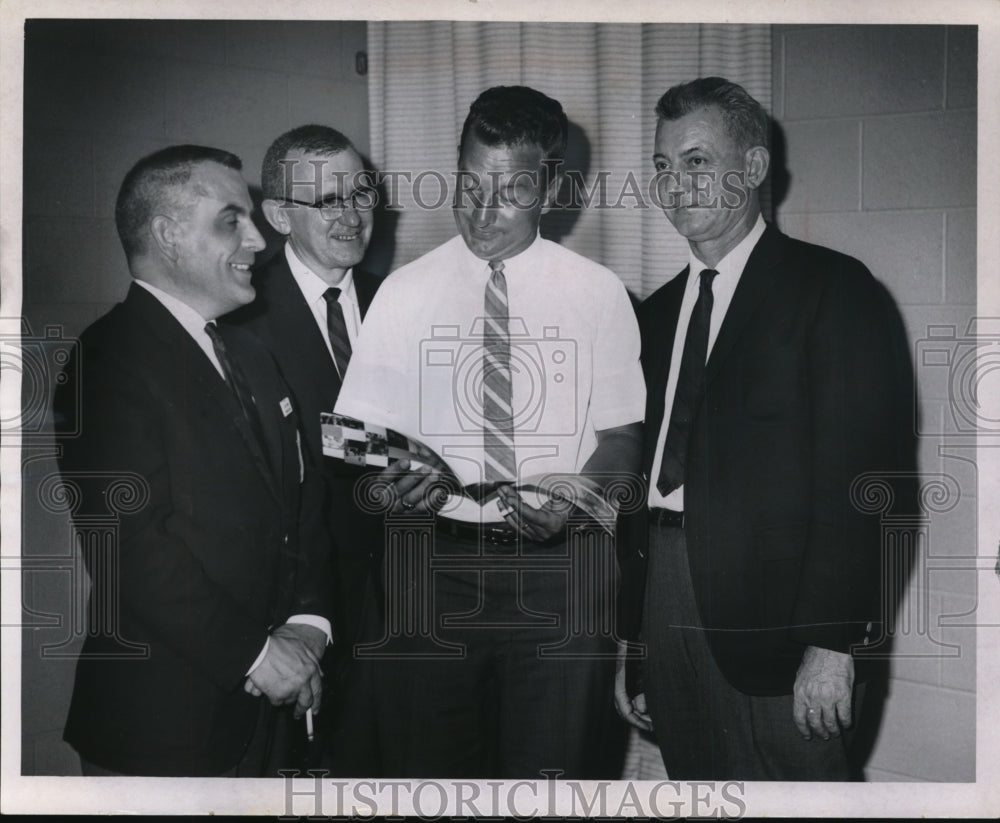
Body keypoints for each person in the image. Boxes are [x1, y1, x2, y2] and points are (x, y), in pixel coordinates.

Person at [334, 85, 645, 778]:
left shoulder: (598, 293)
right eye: (470, 184)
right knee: (429, 781)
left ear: (553, 187)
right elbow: (357, 444)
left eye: (509, 191)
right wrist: (390, 481)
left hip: (563, 573)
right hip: (428, 571)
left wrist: (576, 493)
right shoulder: (403, 292)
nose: (482, 211)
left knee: (552, 781)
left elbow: (623, 440)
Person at [614, 77, 901, 781]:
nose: (675, 184)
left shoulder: (833, 291)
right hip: (668, 600)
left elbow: (868, 482)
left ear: (754, 168)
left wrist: (834, 645)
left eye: (697, 161)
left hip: (786, 623)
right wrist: (636, 640)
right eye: (661, 166)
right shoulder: (651, 317)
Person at [54, 145, 332, 777]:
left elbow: (302, 506)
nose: (258, 239)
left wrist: (310, 625)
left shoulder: (254, 358)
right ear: (167, 235)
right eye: (231, 220)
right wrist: (260, 656)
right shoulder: (107, 360)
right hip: (163, 728)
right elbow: (131, 549)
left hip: (274, 720)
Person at [226, 125, 382, 666]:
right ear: (279, 216)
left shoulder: (403, 299)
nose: (353, 216)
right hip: (301, 613)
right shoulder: (238, 317)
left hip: (410, 599)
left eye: (361, 194)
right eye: (329, 201)